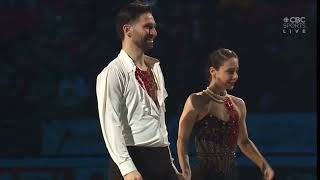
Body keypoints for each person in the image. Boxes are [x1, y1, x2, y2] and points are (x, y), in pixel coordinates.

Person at [96, 2, 182, 180]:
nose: (154, 33)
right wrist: (127, 168)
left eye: (154, 27)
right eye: (148, 27)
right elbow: (110, 123)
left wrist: (170, 166)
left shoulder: (155, 68)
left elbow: (159, 123)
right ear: (128, 30)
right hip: (133, 159)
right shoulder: (113, 72)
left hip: (161, 160)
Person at [176, 48, 274, 180]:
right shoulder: (197, 100)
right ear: (213, 72)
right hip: (205, 176)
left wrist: (264, 165)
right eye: (230, 71)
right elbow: (182, 140)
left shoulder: (238, 104)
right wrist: (186, 171)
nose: (235, 76)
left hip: (231, 175)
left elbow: (244, 141)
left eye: (236, 71)